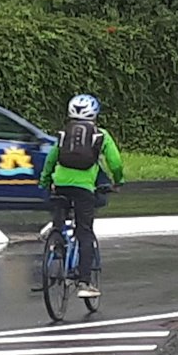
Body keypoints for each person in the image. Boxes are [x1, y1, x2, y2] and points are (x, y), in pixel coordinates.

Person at [40, 94, 124, 298]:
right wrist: (118, 181)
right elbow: (115, 162)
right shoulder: (101, 135)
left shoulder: (64, 134)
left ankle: (56, 236)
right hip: (84, 188)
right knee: (84, 232)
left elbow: (51, 159)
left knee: (61, 207)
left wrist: (45, 181)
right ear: (95, 113)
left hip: (60, 184)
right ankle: (84, 283)